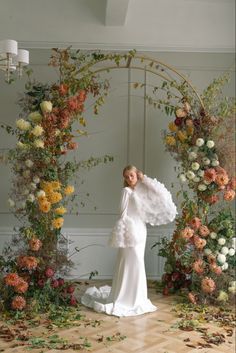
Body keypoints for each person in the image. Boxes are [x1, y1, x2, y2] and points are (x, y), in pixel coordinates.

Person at [81, 165, 177, 317]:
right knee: (131, 261)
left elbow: (161, 195)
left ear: (136, 175)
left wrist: (144, 178)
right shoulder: (125, 191)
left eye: (132, 175)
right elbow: (122, 212)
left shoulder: (141, 190)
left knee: (139, 262)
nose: (129, 179)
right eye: (126, 177)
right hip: (130, 230)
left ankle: (138, 298)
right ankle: (124, 298)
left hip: (141, 229)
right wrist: (125, 233)